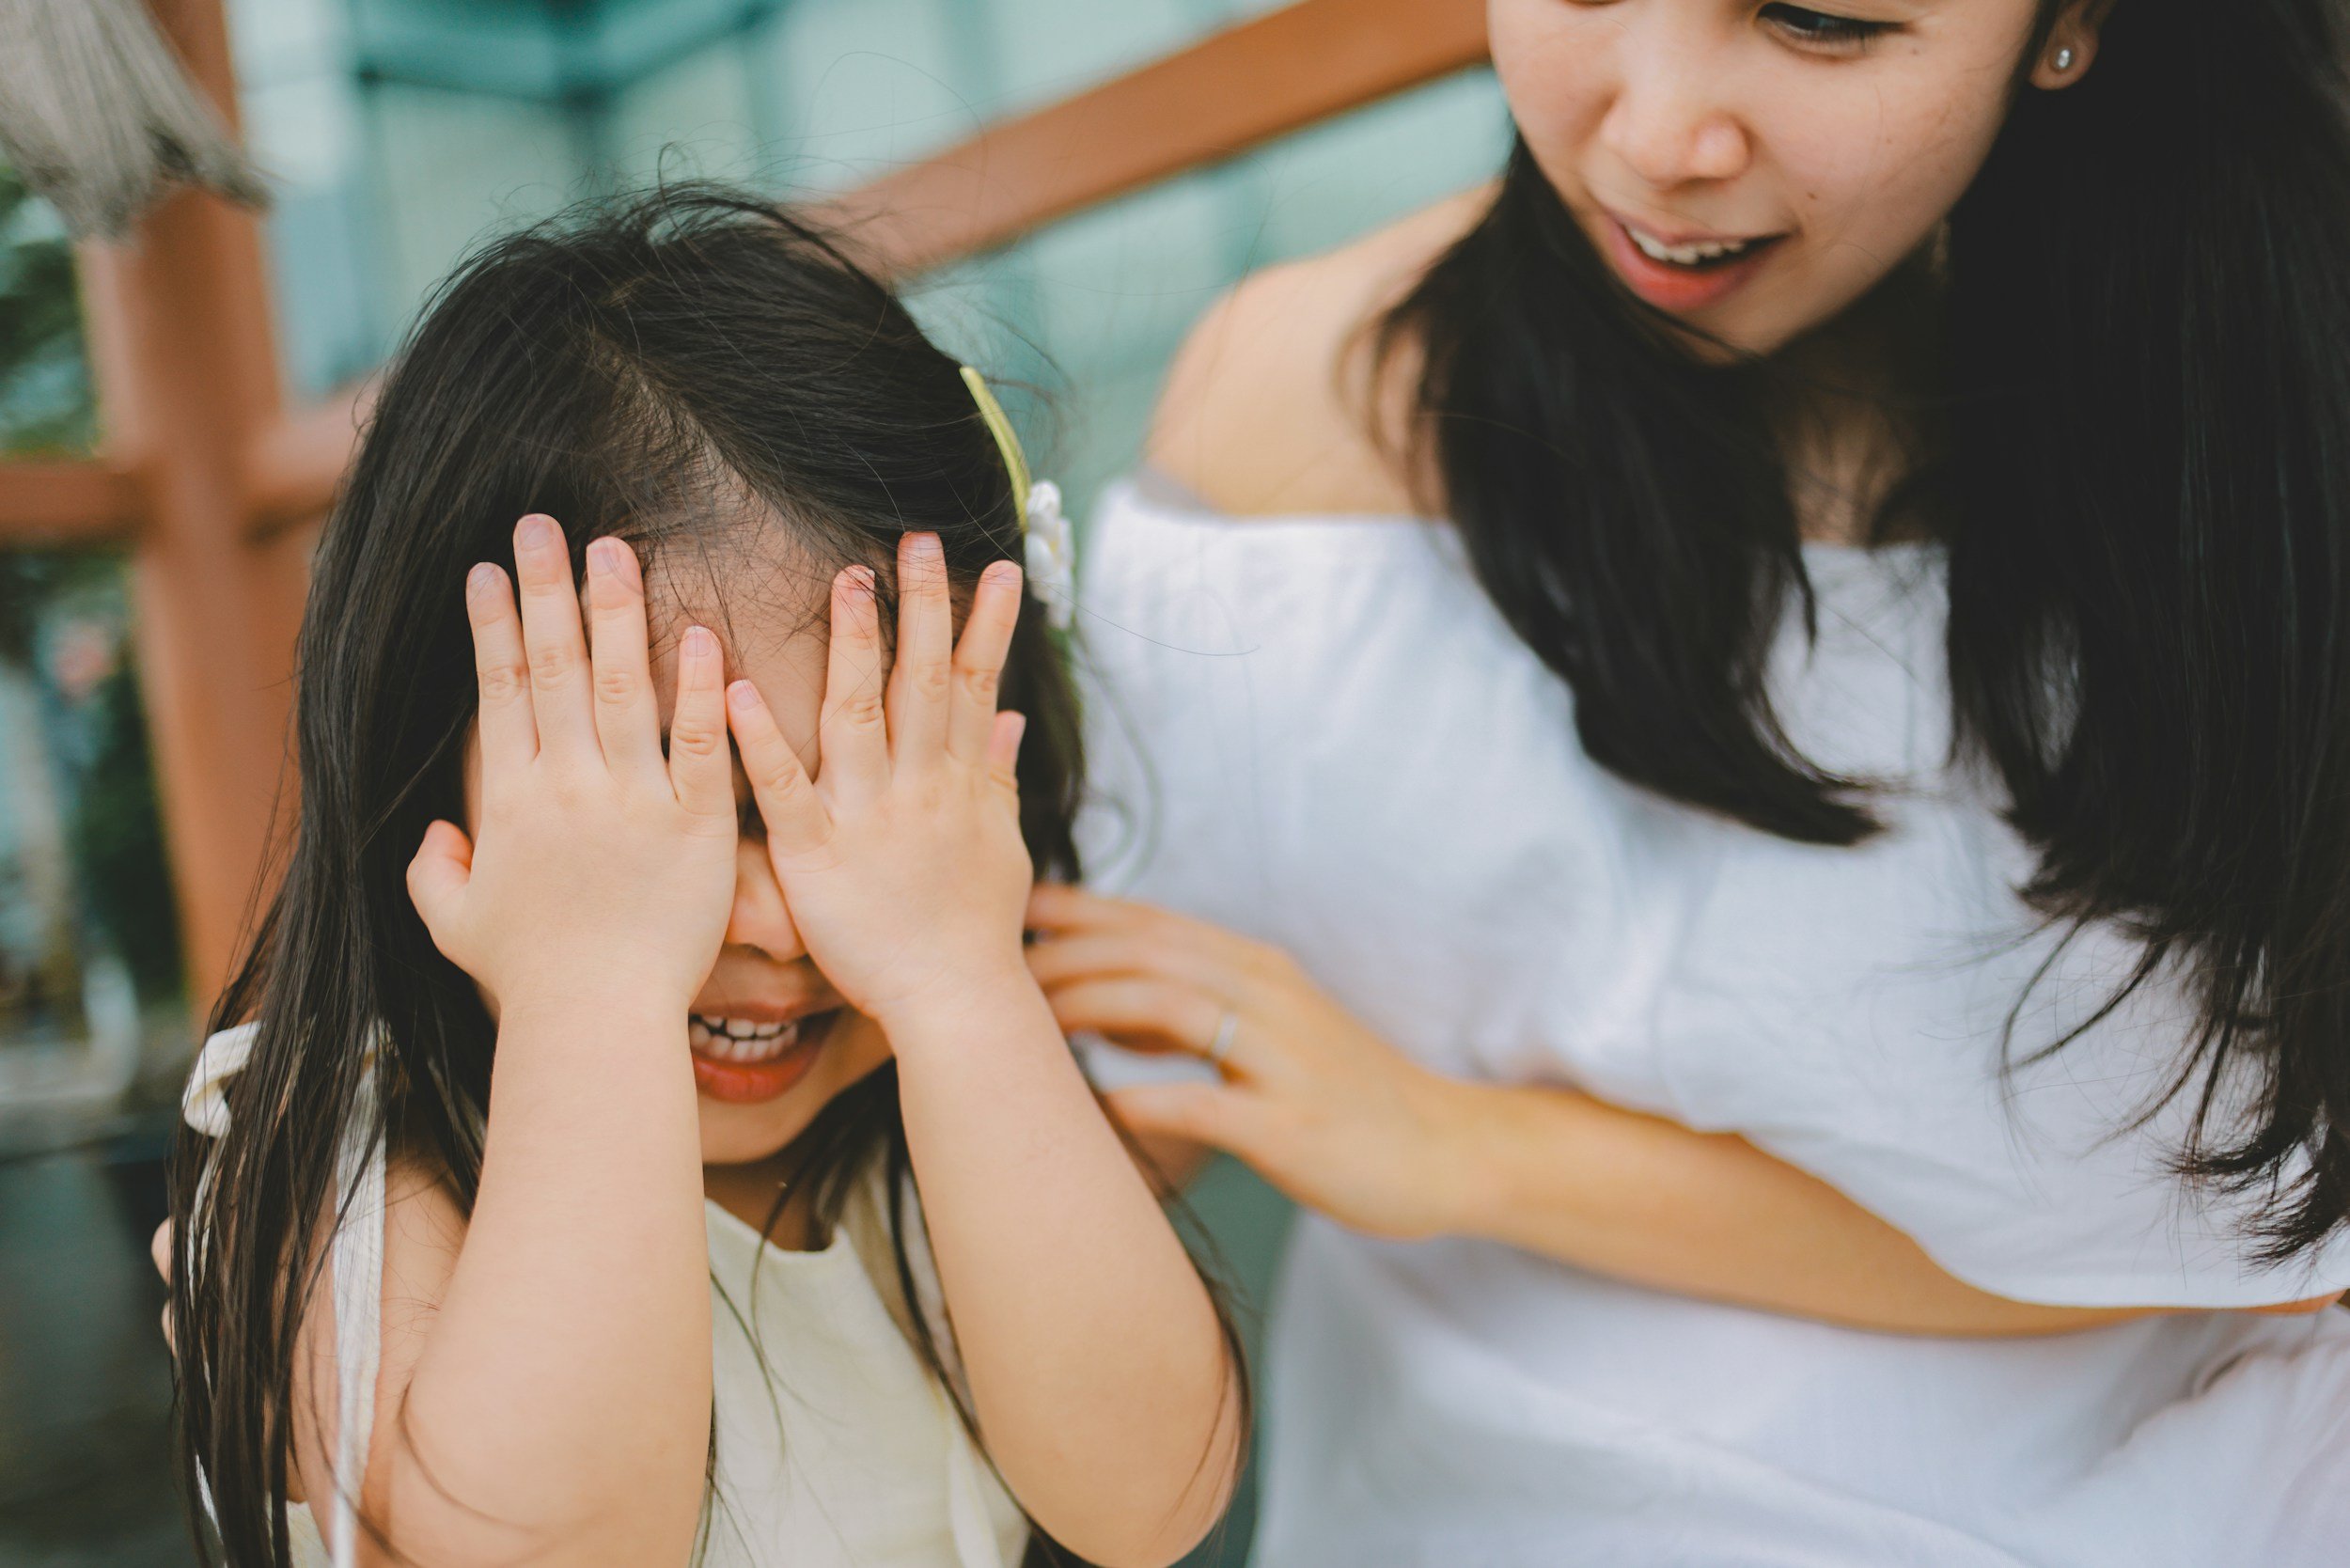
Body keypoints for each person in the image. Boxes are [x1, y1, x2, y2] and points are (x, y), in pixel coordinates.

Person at [1033, 1, 2350, 1562]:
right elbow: (1131, 1090)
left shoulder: (2273, 439)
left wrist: (1471, 1148)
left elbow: (2274, 1247)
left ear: (2074, 21)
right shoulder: (1303, 419)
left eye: (1819, 19)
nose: (1657, 140)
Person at [163, 188, 1243, 1568]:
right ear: (422, 771)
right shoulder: (340, 1179)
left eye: (858, 804)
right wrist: (592, 987)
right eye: (669, 811)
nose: (781, 923)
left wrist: (962, 986)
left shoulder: (948, 1116)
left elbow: (1150, 1503)